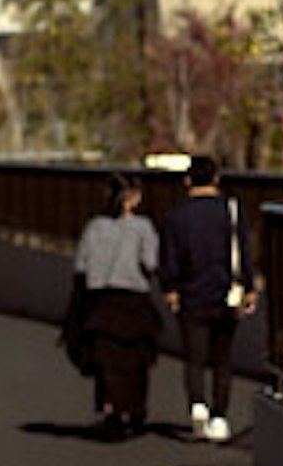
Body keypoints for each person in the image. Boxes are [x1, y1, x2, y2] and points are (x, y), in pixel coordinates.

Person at [160, 155, 249, 442]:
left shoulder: (176, 215)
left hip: (191, 295)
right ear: (216, 179)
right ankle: (220, 417)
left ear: (187, 181)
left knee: (195, 358)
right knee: (222, 359)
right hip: (225, 295)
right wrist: (248, 288)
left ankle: (198, 404)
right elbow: (242, 253)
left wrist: (171, 289)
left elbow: (169, 258)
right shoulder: (231, 211)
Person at [67, 170, 162, 439]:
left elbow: (81, 267)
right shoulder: (142, 227)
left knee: (106, 362)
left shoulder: (94, 227)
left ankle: (110, 409)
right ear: (133, 198)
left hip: (101, 302)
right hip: (133, 302)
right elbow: (152, 262)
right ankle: (134, 410)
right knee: (135, 360)